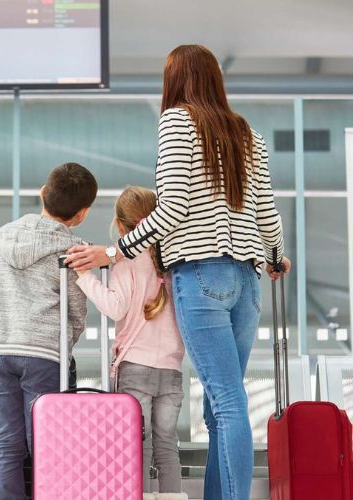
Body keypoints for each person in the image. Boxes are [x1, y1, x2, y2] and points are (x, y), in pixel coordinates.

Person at [65, 45, 292, 500]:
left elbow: (172, 208)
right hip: (247, 282)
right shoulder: (249, 134)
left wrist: (114, 251)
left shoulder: (177, 123)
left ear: (174, 80)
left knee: (226, 402)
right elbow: (267, 213)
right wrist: (275, 256)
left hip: (202, 275)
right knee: (221, 404)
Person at [0, 162, 98, 500]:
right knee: (45, 443)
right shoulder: (73, 249)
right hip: (43, 352)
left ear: (43, 193)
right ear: (82, 214)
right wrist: (64, 345)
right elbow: (76, 309)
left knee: (5, 443)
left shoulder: (2, 237)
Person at [75, 186, 187, 500]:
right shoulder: (174, 261)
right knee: (167, 445)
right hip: (172, 369)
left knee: (138, 443)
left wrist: (85, 277)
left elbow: (115, 308)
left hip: (136, 366)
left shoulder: (128, 260)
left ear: (121, 226)